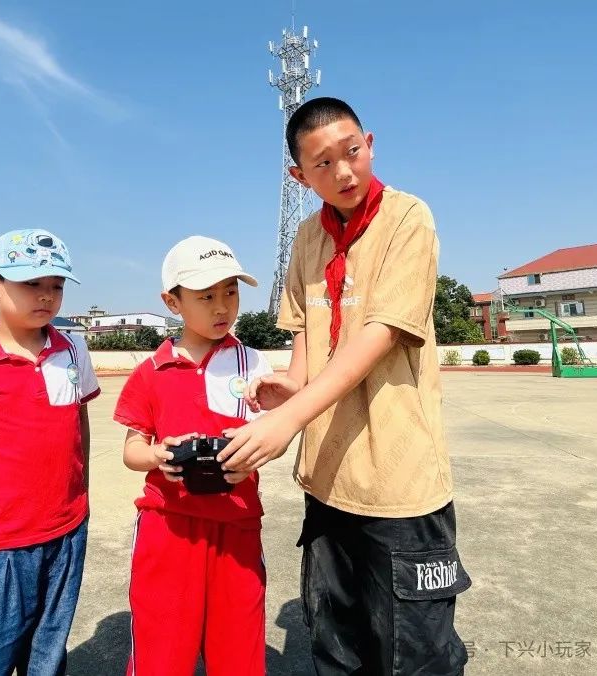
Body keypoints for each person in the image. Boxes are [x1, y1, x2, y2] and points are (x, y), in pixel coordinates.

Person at [218, 97, 471, 675]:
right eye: (323, 164)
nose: (344, 172)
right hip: (328, 482)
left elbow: (379, 333)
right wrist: (288, 391)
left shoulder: (407, 218)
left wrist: (290, 418)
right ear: (298, 176)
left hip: (400, 484)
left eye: (351, 152)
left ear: (370, 143)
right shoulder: (309, 236)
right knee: (337, 648)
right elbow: (309, 329)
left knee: (415, 654)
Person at [0, 229, 99, 675]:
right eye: (32, 284)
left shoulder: (72, 352)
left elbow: (78, 424)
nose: (46, 296)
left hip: (65, 535)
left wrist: (80, 500)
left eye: (57, 286)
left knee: (45, 658)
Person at [113, 236, 272, 676]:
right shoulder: (151, 371)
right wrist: (157, 454)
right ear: (173, 302)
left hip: (237, 524)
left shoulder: (253, 364)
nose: (222, 307)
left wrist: (249, 456)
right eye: (206, 297)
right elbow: (132, 448)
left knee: (238, 646)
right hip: (169, 525)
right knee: (162, 648)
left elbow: (271, 437)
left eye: (231, 292)